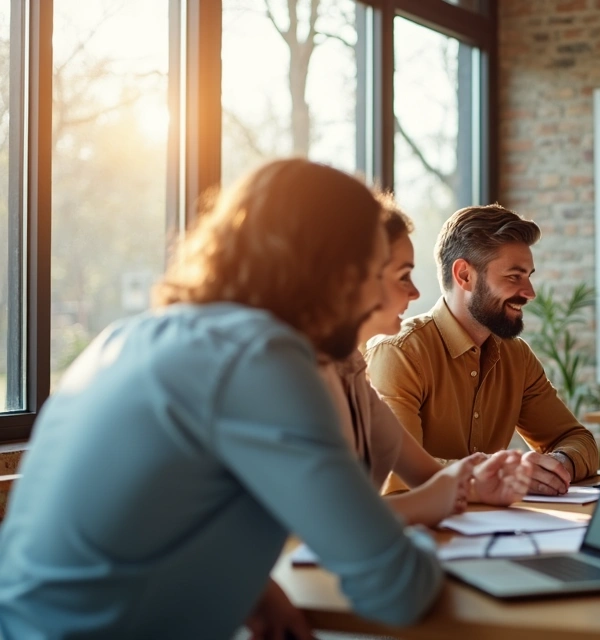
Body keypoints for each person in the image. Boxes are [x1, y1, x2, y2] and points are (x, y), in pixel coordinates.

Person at [0, 159, 443, 640]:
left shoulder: (134, 336)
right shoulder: (261, 358)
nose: (382, 297)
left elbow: (149, 519)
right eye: (376, 273)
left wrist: (255, 589)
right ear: (332, 271)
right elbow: (397, 589)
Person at [318, 199, 533, 528]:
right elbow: (327, 519)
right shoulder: (290, 368)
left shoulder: (349, 367)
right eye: (403, 276)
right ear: (352, 277)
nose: (416, 292)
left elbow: (424, 476)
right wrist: (442, 495)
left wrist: (478, 484)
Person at [367, 203, 599, 496]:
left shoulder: (517, 357)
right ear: (465, 275)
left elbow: (578, 439)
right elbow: (395, 476)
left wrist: (557, 464)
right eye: (514, 276)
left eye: (529, 275)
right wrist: (502, 476)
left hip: (494, 530)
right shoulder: (400, 352)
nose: (530, 292)